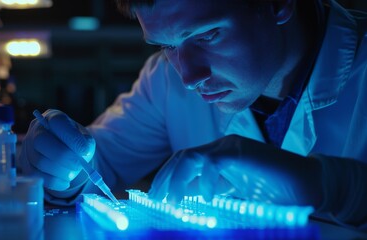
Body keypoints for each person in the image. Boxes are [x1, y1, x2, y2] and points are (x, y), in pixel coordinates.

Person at [18, 0, 367, 230]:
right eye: (167, 45)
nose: (188, 77)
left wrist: (332, 186)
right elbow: (98, 166)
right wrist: (60, 164)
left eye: (208, 34)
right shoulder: (164, 80)